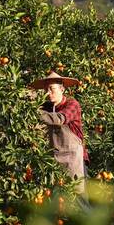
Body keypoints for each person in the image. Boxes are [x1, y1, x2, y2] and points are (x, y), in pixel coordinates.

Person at [30, 71, 90, 209]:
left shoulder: (72, 104)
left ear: (62, 89)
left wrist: (35, 112)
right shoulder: (46, 107)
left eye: (52, 89)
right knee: (56, 204)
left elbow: (59, 119)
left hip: (74, 161)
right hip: (55, 163)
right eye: (46, 90)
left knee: (80, 201)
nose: (48, 92)